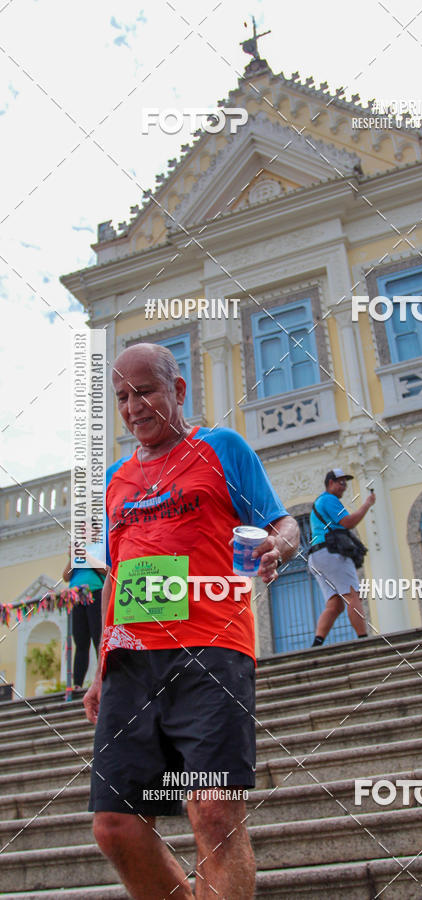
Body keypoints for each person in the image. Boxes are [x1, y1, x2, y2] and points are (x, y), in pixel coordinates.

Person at [83, 342, 299, 900]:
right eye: (122, 396)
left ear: (177, 390)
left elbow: (284, 524)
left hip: (212, 651)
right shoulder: (114, 480)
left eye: (145, 391)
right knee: (115, 826)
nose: (133, 406)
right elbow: (113, 577)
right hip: (131, 661)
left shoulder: (222, 447)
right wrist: (101, 666)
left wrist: (276, 547)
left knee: (214, 812)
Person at [307, 467, 375, 647]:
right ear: (330, 483)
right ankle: (363, 640)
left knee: (335, 604)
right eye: (341, 483)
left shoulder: (319, 502)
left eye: (345, 483)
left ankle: (317, 643)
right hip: (331, 553)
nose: (344, 487)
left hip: (316, 557)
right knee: (353, 595)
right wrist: (367, 504)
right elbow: (348, 522)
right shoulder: (329, 499)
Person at [62, 544, 107, 688]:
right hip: (76, 597)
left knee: (98, 637)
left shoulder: (99, 551)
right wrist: (72, 557)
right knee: (80, 642)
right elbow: (66, 576)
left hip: (95, 593)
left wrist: (87, 556)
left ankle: (103, 679)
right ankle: (77, 684)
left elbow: (107, 570)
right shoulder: (77, 557)